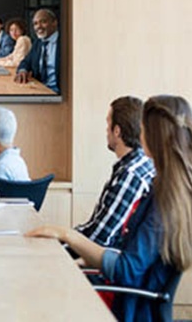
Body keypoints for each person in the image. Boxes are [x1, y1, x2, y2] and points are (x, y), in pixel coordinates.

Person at [27, 95, 192, 322]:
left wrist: (67, 235)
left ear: (152, 136)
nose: (139, 133)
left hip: (128, 309)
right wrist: (92, 257)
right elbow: (132, 257)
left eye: (143, 127)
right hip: (129, 299)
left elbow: (127, 269)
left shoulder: (163, 202)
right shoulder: (168, 191)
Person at [75, 97, 155, 248]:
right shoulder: (143, 163)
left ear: (117, 131)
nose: (106, 130)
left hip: (102, 264)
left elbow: (97, 239)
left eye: (108, 124)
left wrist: (57, 247)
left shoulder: (130, 175)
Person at [15, 8, 60, 93]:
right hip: (39, 89)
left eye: (43, 22)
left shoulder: (67, 42)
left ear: (54, 22)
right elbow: (26, 61)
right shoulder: (38, 43)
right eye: (35, 23)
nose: (38, 26)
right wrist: (22, 70)